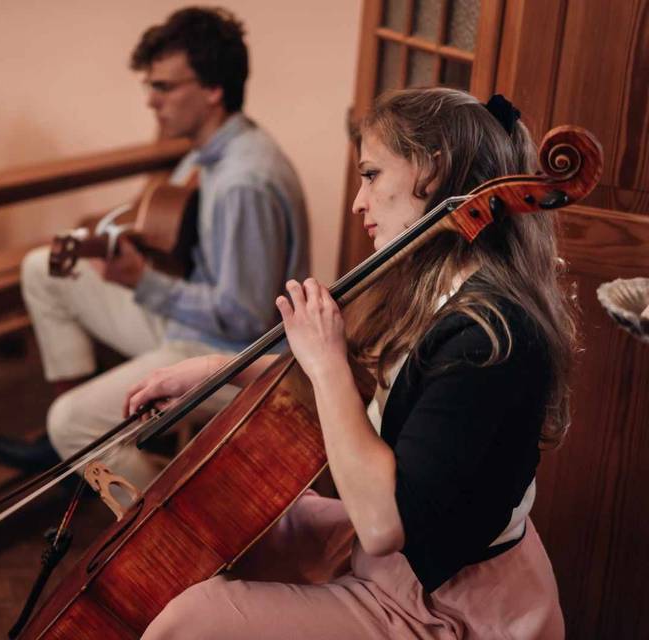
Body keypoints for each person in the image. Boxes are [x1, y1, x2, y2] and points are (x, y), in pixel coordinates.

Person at [125, 87, 570, 638]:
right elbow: (361, 398)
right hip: (400, 563)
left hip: (448, 599)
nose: (359, 201)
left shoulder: (488, 336)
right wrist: (220, 369)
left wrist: (327, 358)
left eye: (372, 175)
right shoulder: (429, 286)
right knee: (228, 526)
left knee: (195, 620)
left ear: (434, 171)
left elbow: (384, 524)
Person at [0, 6, 310, 489]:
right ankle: (76, 454)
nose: (151, 101)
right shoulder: (208, 154)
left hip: (235, 358)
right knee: (44, 269)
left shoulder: (245, 180)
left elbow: (244, 320)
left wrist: (143, 281)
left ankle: (170, 533)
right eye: (149, 86)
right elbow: (173, 237)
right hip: (192, 323)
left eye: (164, 87)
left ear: (212, 89)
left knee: (70, 419)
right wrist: (114, 246)